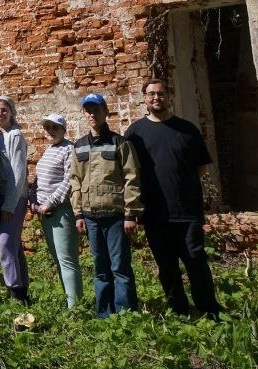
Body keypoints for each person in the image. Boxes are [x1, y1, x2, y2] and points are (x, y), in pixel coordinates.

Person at [125, 78, 221, 318]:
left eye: (160, 94)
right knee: (166, 265)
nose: (156, 98)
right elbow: (130, 172)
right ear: (144, 99)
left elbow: (202, 168)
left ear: (168, 97)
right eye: (151, 94)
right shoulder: (135, 133)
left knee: (196, 260)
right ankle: (178, 310)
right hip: (155, 212)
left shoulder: (187, 129)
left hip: (187, 210)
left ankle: (208, 309)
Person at [72, 92, 142, 317]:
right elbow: (75, 180)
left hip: (115, 215)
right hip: (91, 216)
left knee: (120, 267)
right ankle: (104, 313)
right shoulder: (80, 146)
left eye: (96, 110)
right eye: (88, 110)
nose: (92, 114)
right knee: (100, 268)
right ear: (85, 114)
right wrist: (78, 214)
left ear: (105, 113)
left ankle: (125, 314)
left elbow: (132, 178)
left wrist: (131, 214)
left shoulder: (119, 143)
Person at [32, 112, 82, 308]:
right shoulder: (49, 149)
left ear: (63, 129)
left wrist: (49, 203)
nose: (51, 131)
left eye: (55, 127)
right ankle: (69, 302)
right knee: (58, 259)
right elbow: (40, 181)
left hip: (61, 211)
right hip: (46, 212)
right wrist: (33, 199)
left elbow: (69, 180)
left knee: (67, 260)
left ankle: (75, 309)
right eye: (48, 127)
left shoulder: (69, 149)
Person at [0, 95, 30, 302]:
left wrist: (9, 204)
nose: (0, 113)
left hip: (14, 198)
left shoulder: (14, 135)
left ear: (12, 112)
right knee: (13, 245)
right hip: (1, 198)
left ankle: (15, 291)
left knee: (5, 244)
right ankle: (23, 290)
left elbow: (18, 172)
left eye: (4, 110)